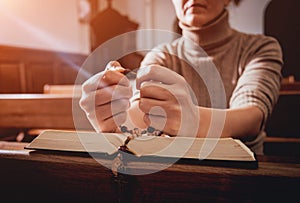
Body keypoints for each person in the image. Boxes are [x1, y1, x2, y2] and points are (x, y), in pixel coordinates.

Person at [79, 0, 283, 155]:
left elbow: (251, 118)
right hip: (177, 173)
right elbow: (140, 114)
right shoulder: (162, 55)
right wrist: (114, 122)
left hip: (243, 176)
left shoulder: (260, 48)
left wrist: (193, 121)